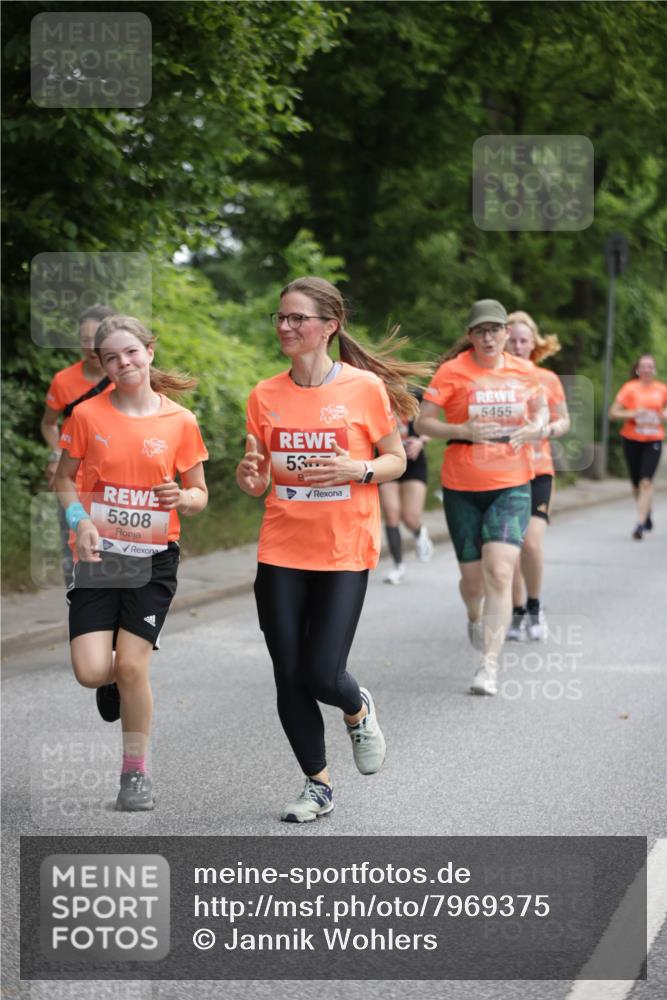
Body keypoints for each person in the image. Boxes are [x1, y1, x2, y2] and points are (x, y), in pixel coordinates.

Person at [237, 276, 429, 822]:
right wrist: (250, 475)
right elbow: (256, 479)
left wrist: (358, 468)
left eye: (297, 318)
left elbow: (395, 459)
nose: (285, 327)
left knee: (323, 673)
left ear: (330, 326)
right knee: (288, 673)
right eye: (280, 317)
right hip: (281, 549)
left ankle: (356, 705)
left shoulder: (364, 389)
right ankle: (316, 785)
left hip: (344, 549)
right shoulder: (264, 394)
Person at [55, 315, 208, 811]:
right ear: (101, 364)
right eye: (112, 357)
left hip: (153, 558)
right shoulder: (86, 416)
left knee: (134, 666)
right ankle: (115, 684)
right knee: (91, 670)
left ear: (149, 351)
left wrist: (182, 498)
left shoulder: (180, 421)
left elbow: (200, 493)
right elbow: (64, 480)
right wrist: (80, 521)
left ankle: (134, 775)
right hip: (99, 555)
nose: (124, 363)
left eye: (132, 352)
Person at [415, 299, 547, 696]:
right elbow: (424, 421)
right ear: (471, 336)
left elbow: (541, 412)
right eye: (480, 331)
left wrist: (536, 426)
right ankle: (475, 614)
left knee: (501, 571)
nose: (488, 337)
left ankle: (488, 666)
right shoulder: (452, 371)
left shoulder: (525, 371)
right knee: (473, 584)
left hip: (512, 483)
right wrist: (464, 429)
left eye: (495, 330)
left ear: (507, 332)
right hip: (462, 487)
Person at [505, 311, 570, 640]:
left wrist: (547, 428)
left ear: (534, 344)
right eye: (512, 340)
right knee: (511, 545)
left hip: (539, 470)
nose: (517, 346)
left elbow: (564, 421)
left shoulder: (547, 379)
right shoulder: (495, 377)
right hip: (504, 471)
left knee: (531, 543)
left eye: (523, 340)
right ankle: (516, 612)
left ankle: (534, 605)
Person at [41, 304, 116, 583]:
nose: (91, 346)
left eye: (97, 338)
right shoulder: (63, 380)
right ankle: (79, 604)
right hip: (72, 481)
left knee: (118, 552)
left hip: (116, 483)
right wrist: (55, 455)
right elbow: (49, 423)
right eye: (85, 339)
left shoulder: (125, 377)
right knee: (73, 548)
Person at [609, 354, 667, 539]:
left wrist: (664, 414)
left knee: (646, 481)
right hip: (632, 438)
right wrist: (634, 413)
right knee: (635, 484)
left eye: (650, 366)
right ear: (638, 369)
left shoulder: (662, 389)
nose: (647, 370)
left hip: (653, 439)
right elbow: (613, 413)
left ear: (654, 369)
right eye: (643, 366)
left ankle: (640, 524)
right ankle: (646, 512)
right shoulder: (629, 388)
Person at [380, 388, 434, 584]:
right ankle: (398, 566)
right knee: (391, 513)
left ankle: (420, 532)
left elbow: (430, 427)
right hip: (388, 463)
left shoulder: (415, 398)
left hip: (413, 463)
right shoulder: (378, 401)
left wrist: (421, 441)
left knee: (410, 518)